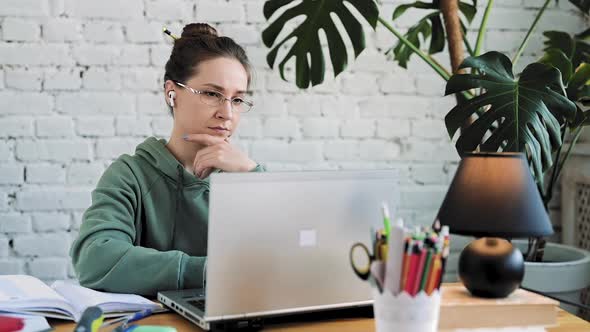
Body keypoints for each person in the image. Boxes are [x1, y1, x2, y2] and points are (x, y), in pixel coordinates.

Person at [70, 23, 263, 296]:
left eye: (237, 100)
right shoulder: (129, 175)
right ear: (171, 93)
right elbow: (95, 261)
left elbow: (288, 261)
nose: (227, 113)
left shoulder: (245, 178)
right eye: (212, 94)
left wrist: (252, 176)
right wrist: (207, 271)